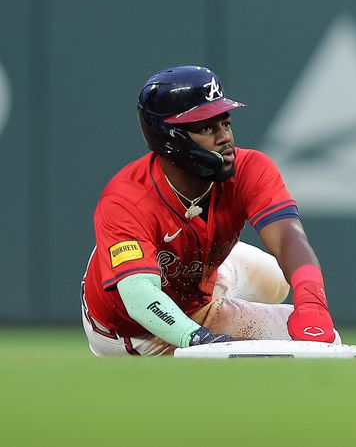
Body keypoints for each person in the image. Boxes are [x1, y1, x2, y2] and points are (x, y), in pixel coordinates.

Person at [81, 65, 337, 356]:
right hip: (136, 330)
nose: (224, 137)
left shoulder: (250, 168)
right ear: (169, 137)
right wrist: (200, 340)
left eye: (225, 123)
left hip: (200, 278)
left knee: (281, 283)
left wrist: (312, 301)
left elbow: (289, 238)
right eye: (206, 127)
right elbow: (140, 298)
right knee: (297, 348)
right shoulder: (126, 200)